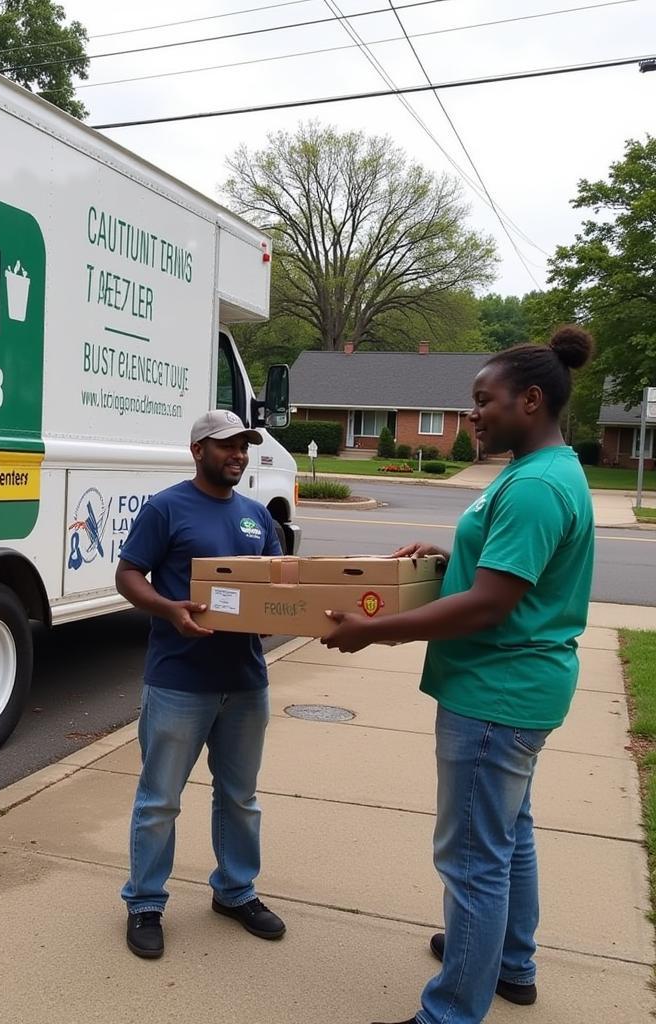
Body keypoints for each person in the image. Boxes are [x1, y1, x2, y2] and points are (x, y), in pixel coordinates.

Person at [321, 326, 596, 1024]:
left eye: (483, 401)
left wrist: (370, 634)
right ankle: (508, 962)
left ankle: (451, 1013)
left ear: (530, 400)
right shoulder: (542, 470)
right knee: (509, 832)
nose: (473, 414)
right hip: (517, 687)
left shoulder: (535, 484)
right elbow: (507, 573)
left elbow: (489, 605)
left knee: (473, 856)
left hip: (495, 692)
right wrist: (448, 552)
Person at [115, 408, 286, 959]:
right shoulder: (167, 508)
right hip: (178, 682)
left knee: (240, 798)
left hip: (244, 682)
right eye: (226, 445)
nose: (238, 454)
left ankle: (236, 891)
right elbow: (128, 574)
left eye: (244, 446)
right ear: (198, 451)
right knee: (160, 799)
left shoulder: (260, 518)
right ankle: (144, 902)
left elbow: (282, 588)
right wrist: (169, 609)